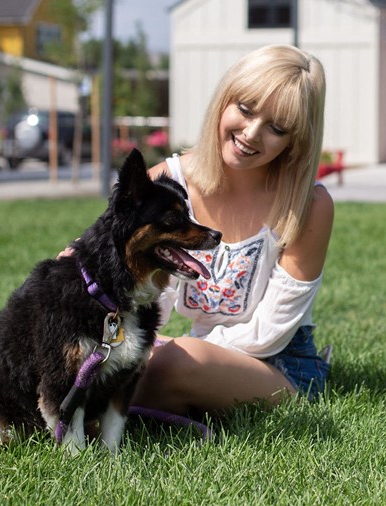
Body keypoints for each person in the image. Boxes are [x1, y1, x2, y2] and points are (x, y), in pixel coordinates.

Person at [128, 43, 333, 418]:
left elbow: (269, 333)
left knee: (172, 366)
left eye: (277, 128)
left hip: (278, 366)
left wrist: (166, 346)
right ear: (224, 100)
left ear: (296, 139)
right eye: (245, 109)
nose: (252, 134)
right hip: (186, 355)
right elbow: (113, 278)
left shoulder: (309, 204)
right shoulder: (165, 183)